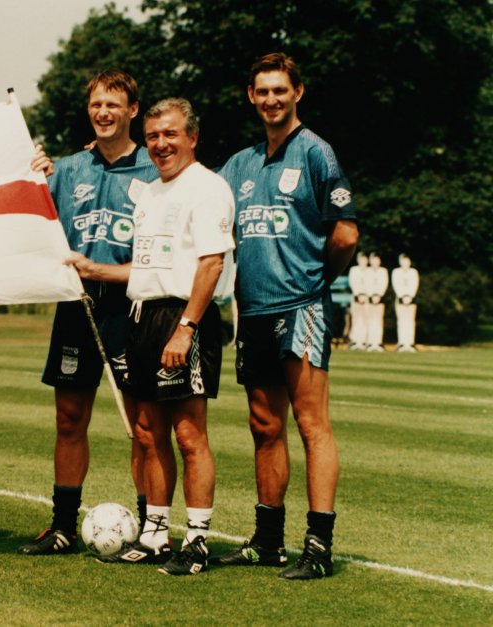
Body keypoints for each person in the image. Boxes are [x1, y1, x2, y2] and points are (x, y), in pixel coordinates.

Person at [73, 98, 234, 575]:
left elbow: (212, 262)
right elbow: (146, 268)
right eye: (154, 137)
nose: (161, 144)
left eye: (171, 134)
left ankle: (199, 540)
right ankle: (156, 533)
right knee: (147, 432)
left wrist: (186, 328)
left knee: (189, 434)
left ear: (192, 137)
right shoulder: (151, 194)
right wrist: (95, 269)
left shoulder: (207, 188)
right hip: (141, 317)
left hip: (183, 317)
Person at [216, 52, 358, 579]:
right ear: (251, 97)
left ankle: (318, 547)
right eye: (262, 91)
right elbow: (196, 199)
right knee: (263, 425)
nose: (271, 99)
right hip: (252, 311)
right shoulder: (240, 164)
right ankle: (268, 540)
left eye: (281, 90)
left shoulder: (317, 152)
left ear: (299, 92)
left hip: (301, 306)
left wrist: (318, 280)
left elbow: (345, 232)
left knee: (311, 423)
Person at [18, 70, 159, 556]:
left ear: (132, 111)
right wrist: (32, 178)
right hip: (76, 309)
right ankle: (61, 525)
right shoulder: (69, 169)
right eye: (97, 104)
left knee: (142, 424)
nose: (103, 113)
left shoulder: (153, 169)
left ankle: (151, 529)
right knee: (69, 418)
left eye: (113, 105)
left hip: (131, 310)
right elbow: (36, 223)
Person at [392, 254, 419, 352]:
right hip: (400, 298)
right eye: (403, 261)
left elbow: (414, 284)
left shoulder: (413, 272)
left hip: (411, 299)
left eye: (407, 261)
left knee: (410, 321)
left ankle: (410, 343)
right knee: (401, 321)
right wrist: (402, 296)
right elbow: (396, 284)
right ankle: (402, 343)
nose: (405, 264)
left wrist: (410, 296)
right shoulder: (396, 272)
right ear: (400, 262)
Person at [347, 252, 371, 350]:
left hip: (367, 298)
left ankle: (364, 341)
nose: (363, 261)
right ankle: (355, 341)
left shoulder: (370, 271)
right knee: (356, 319)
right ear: (358, 260)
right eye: (361, 259)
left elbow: (370, 284)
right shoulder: (354, 270)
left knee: (366, 319)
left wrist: (366, 295)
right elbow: (353, 282)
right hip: (356, 297)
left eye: (365, 259)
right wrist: (358, 294)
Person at [366, 252, 389, 351]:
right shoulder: (367, 271)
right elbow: (367, 284)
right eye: (373, 259)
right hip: (369, 298)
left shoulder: (383, 271)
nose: (375, 262)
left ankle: (378, 342)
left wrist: (378, 295)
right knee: (370, 320)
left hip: (379, 298)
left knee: (378, 320)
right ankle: (370, 342)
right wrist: (371, 295)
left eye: (377, 259)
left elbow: (384, 283)